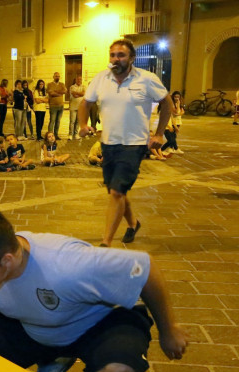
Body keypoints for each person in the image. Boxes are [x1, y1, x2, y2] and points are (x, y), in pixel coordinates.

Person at [0, 209, 188, 372]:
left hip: (101, 320)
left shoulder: (68, 265)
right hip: (34, 324)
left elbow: (144, 268)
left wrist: (169, 330)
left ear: (7, 260)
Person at [79, 39, 172, 247]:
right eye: (112, 55)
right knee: (116, 189)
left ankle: (105, 243)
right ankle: (132, 223)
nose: (115, 59)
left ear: (131, 58)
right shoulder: (101, 78)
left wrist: (158, 134)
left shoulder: (147, 79)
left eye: (121, 55)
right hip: (108, 143)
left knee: (116, 192)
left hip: (134, 144)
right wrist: (83, 124)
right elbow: (85, 103)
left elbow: (167, 103)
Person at [161, 91, 184, 155]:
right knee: (171, 140)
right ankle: (161, 150)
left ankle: (174, 148)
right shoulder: (165, 108)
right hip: (166, 127)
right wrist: (169, 126)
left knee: (172, 138)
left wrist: (175, 126)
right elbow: (164, 119)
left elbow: (172, 117)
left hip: (171, 125)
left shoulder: (170, 108)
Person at [47, 72, 67, 139]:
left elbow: (65, 91)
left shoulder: (62, 84)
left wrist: (56, 91)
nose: (57, 77)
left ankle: (56, 135)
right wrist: (60, 93)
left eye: (58, 76)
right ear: (53, 77)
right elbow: (51, 93)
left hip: (61, 105)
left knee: (58, 121)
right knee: (52, 121)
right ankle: (49, 135)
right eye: (56, 76)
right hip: (53, 106)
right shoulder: (50, 84)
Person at [68, 76, 85, 140]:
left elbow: (84, 93)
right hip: (73, 107)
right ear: (76, 80)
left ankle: (76, 134)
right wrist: (81, 94)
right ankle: (70, 134)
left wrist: (80, 93)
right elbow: (74, 95)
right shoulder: (72, 87)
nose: (79, 80)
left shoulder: (84, 86)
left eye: (80, 79)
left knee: (78, 121)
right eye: (78, 79)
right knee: (72, 121)